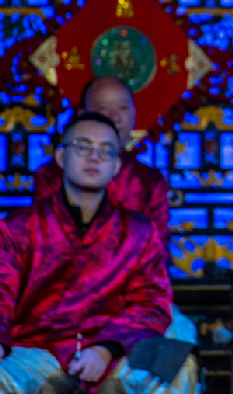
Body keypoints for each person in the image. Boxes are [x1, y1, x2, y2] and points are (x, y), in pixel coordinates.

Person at [0, 112, 183, 393]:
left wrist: (105, 349)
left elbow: (151, 304)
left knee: (176, 364)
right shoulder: (18, 228)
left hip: (114, 351)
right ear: (61, 157)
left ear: (116, 165)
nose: (94, 157)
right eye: (83, 146)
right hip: (35, 352)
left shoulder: (139, 232)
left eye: (105, 150)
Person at [33, 76, 171, 253]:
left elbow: (158, 253)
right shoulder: (52, 175)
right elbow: (45, 246)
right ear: (83, 114)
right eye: (103, 108)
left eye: (123, 108)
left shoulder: (150, 182)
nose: (115, 118)